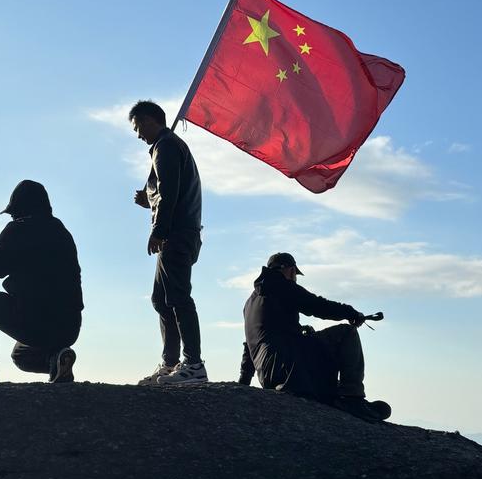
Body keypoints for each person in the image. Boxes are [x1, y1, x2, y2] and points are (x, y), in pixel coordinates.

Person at [0, 179, 83, 385]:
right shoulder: (61, 231)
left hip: (36, 320)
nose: (12, 215)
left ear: (20, 209)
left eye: (13, 211)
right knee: (21, 356)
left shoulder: (19, 229)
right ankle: (56, 360)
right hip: (69, 326)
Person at [238, 252, 391, 422]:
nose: (295, 277)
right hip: (289, 369)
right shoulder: (280, 285)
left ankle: (333, 394)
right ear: (290, 270)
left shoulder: (250, 303)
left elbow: (250, 344)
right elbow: (316, 305)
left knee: (310, 339)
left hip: (270, 375)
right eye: (295, 274)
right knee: (347, 333)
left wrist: (243, 384)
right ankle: (351, 397)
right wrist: (350, 312)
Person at [129, 100, 206, 386]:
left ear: (150, 121)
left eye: (138, 127)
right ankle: (171, 362)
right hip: (179, 233)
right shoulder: (167, 147)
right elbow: (165, 192)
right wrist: (149, 200)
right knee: (161, 299)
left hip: (176, 235)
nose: (138, 135)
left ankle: (194, 364)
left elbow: (169, 190)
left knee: (177, 297)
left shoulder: (166, 147)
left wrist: (159, 230)